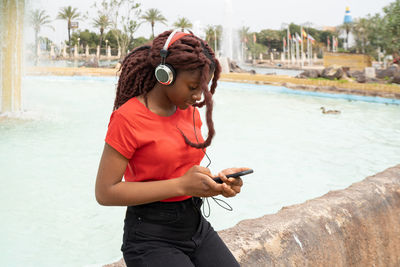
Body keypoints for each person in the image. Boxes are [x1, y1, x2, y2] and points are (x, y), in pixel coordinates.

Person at [95, 30, 249, 267]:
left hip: (195, 226)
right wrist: (181, 185)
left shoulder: (190, 112)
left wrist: (216, 184)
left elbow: (181, 171)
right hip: (150, 236)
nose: (198, 96)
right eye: (192, 87)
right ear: (164, 75)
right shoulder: (128, 117)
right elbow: (105, 192)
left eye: (203, 88)